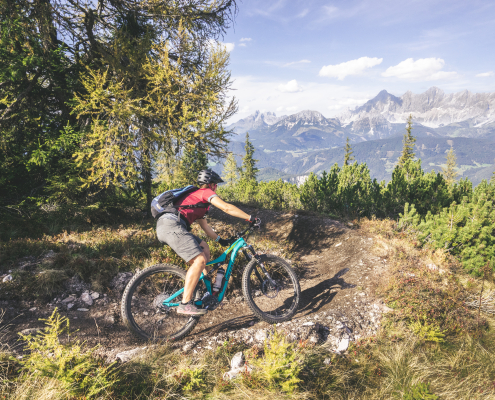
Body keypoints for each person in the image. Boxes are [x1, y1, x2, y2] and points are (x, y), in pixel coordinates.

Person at [156, 168, 256, 316]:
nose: (216, 188)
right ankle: (185, 304)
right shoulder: (205, 192)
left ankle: (206, 289)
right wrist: (250, 218)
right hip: (172, 225)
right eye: (215, 185)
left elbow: (205, 226)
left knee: (204, 248)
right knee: (200, 260)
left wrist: (220, 240)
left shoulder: (197, 200)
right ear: (212, 185)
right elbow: (227, 208)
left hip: (167, 225)